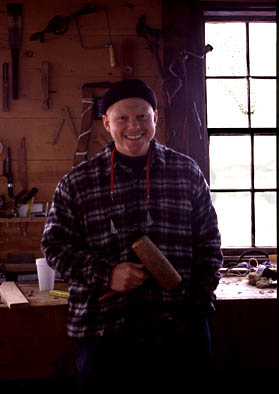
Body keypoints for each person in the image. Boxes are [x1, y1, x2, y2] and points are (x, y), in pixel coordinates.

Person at [41, 79, 223, 391]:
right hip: (104, 334)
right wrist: (106, 273)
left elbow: (209, 243)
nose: (133, 126)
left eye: (141, 116)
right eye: (122, 118)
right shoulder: (77, 182)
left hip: (179, 330)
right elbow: (54, 246)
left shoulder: (186, 172)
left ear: (155, 118)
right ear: (106, 123)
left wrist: (196, 303)